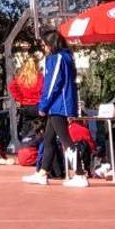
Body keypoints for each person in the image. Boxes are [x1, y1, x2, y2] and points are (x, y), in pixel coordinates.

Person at [22, 31, 87, 187]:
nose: (43, 46)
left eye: (44, 43)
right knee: (48, 139)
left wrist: (43, 105)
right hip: (58, 105)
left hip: (59, 105)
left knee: (66, 140)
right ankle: (42, 173)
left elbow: (52, 85)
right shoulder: (67, 57)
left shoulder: (56, 58)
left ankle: (79, 174)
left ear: (51, 44)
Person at [9, 54, 42, 121]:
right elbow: (43, 91)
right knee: (41, 127)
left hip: (25, 105)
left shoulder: (21, 78)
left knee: (25, 128)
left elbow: (11, 86)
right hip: (37, 105)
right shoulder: (40, 78)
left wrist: (20, 99)